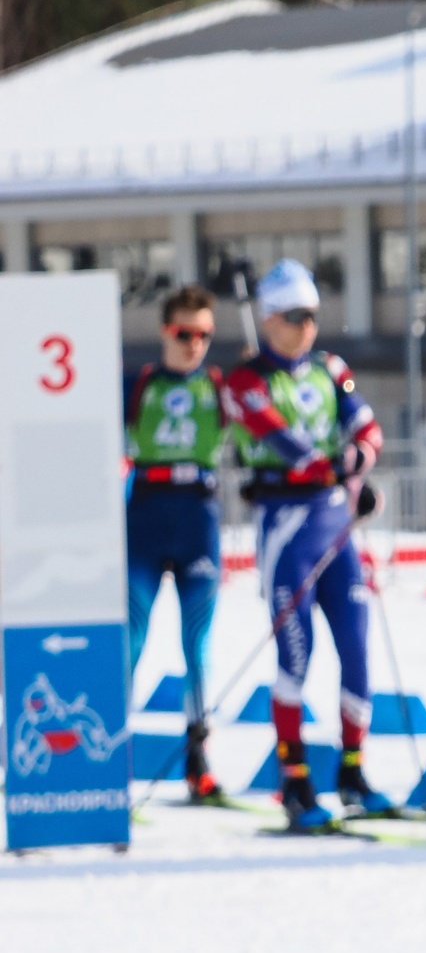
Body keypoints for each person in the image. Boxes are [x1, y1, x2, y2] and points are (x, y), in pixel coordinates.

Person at [220, 260, 386, 832]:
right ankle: (294, 781)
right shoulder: (246, 381)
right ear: (269, 319)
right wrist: (336, 467)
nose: (306, 326)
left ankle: (353, 771)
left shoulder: (332, 370)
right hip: (287, 530)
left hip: (336, 527)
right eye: (294, 316)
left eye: (312, 315)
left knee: (357, 650)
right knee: (296, 654)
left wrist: (358, 461)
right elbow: (284, 444)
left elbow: (366, 426)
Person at [125, 284, 232, 802]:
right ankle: (110, 757)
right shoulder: (140, 383)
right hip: (146, 516)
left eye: (204, 335)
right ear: (165, 331)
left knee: (198, 645)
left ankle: (198, 759)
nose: (195, 345)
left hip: (198, 521)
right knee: (131, 640)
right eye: (184, 334)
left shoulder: (220, 387)